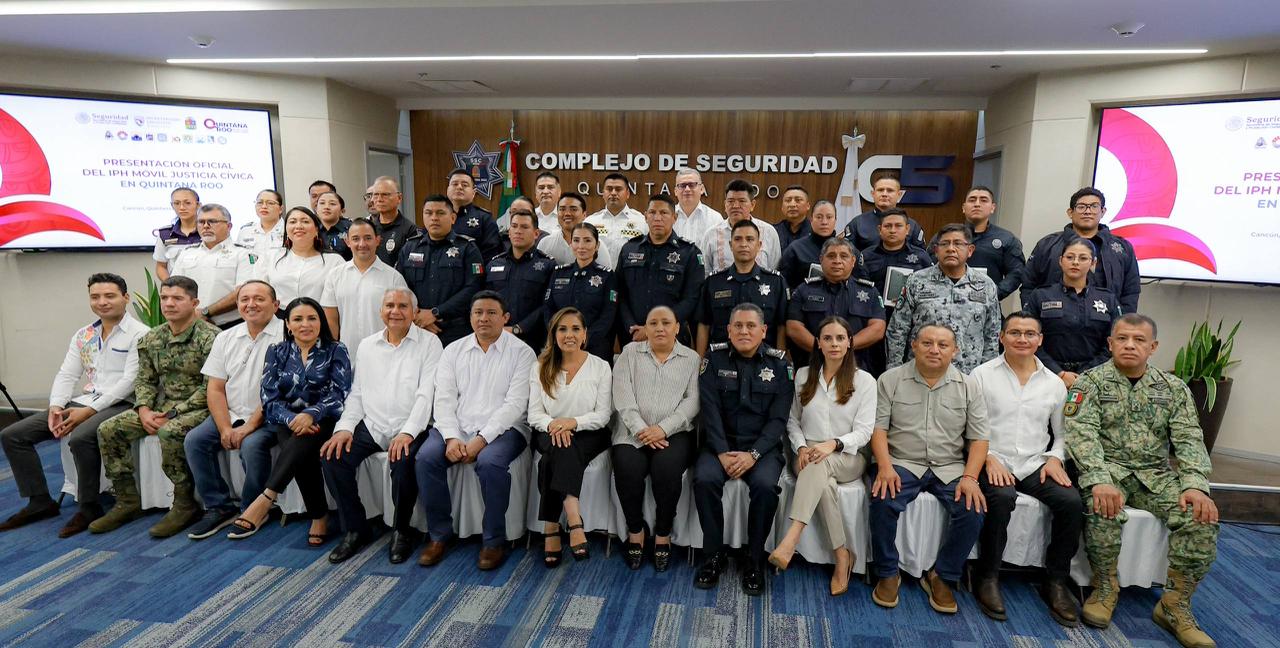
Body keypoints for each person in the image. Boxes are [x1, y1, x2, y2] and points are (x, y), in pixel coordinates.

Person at [1065, 314, 1219, 647]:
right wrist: (1098, 479)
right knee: (1102, 506)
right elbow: (1081, 435)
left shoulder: (1173, 389)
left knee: (1199, 517)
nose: (1129, 345)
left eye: (1139, 340)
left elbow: (1189, 438)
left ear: (1153, 347)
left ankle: (1174, 604)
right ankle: (1104, 587)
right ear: (1110, 344)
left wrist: (1195, 485)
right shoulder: (1090, 383)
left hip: (1155, 475)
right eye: (1122, 339)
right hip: (1109, 472)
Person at [0, 273, 148, 537]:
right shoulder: (84, 334)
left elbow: (129, 382)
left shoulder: (141, 334)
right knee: (13, 435)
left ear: (125, 298)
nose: (102, 302)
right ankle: (39, 501)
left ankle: (89, 506)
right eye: (95, 297)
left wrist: (88, 412)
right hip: (84, 400)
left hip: (123, 402)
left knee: (80, 437)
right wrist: (56, 407)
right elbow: (67, 374)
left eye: (110, 296)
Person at [970, 312, 1083, 626]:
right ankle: (987, 576)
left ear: (1040, 339)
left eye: (1030, 334)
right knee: (1001, 497)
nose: (1022, 339)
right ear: (1001, 337)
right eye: (1015, 333)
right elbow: (968, 426)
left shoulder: (1054, 384)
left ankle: (1055, 581)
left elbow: (1062, 433)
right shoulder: (981, 375)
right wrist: (987, 456)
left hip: (1035, 462)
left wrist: (1055, 458)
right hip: (993, 458)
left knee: (1071, 502)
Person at [867, 323, 989, 614]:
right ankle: (888, 572)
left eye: (943, 345)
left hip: (949, 466)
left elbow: (979, 438)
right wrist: (884, 466)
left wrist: (971, 477)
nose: (935, 350)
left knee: (973, 509)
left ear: (955, 350)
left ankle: (942, 576)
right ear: (914, 345)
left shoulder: (969, 386)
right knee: (883, 499)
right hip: (902, 461)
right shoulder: (890, 380)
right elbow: (878, 429)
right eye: (927, 343)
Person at [415, 291, 538, 571]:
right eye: (478, 312)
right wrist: (451, 437)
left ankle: (493, 541)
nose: (484, 318)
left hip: (506, 429)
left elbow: (515, 405)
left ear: (505, 318)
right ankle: (438, 536)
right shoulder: (453, 350)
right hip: (457, 426)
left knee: (490, 463)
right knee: (426, 458)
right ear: (470, 317)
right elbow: (444, 399)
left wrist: (481, 440)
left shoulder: (522, 353)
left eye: (491, 313)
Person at [321, 288, 444, 564]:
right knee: (333, 457)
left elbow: (427, 394)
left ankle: (402, 530)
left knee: (403, 462)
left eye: (402, 306)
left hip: (412, 424)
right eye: (389, 305)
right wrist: (344, 428)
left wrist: (408, 432)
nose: (395, 311)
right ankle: (356, 528)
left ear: (414, 312)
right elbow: (357, 393)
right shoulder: (367, 345)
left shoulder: (430, 343)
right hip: (374, 424)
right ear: (381, 311)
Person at [90, 276, 219, 537]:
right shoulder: (152, 338)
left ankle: (184, 503)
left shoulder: (211, 338)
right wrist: (144, 409)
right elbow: (145, 380)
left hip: (200, 408)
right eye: (164, 298)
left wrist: (173, 413)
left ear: (194, 302)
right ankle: (127, 501)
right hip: (160, 407)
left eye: (177, 298)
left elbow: (211, 388)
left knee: (169, 431)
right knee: (109, 429)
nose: (169, 304)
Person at [227, 297, 352, 545]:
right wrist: (294, 418)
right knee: (301, 446)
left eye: (312, 318)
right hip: (287, 421)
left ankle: (267, 497)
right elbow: (269, 398)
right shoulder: (277, 351)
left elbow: (340, 393)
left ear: (320, 322)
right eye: (298, 319)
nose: (305, 324)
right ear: (288, 324)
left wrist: (311, 414)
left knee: (302, 443)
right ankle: (318, 516)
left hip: (325, 419)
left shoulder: (336, 349)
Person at [767, 316, 876, 596]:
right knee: (821, 478)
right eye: (827, 338)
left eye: (840, 338)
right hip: (806, 453)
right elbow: (792, 421)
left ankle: (791, 539)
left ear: (850, 343)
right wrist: (802, 447)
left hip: (848, 454)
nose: (834, 344)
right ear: (818, 343)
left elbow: (865, 432)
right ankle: (842, 555)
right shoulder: (804, 375)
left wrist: (834, 444)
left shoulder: (864, 381)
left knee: (819, 464)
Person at [693, 304, 793, 596]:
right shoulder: (713, 359)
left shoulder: (780, 365)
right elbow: (709, 412)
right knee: (704, 479)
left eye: (751, 326)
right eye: (738, 326)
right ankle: (713, 555)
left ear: (764, 331)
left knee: (765, 487)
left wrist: (754, 455)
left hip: (762, 449)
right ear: (728, 330)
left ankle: (754, 559)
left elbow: (778, 420)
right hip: (719, 444)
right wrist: (722, 452)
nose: (744, 331)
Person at [182, 280, 284, 540]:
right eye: (244, 299)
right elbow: (215, 388)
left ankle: (252, 509)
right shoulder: (226, 337)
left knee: (251, 445)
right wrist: (225, 427)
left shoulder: (287, 334)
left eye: (259, 299)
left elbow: (278, 391)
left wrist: (249, 426)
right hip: (232, 412)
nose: (251, 304)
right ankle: (218, 507)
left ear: (276, 305)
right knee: (195, 440)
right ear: (237, 305)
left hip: (271, 415)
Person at [611, 305, 700, 572]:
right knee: (627, 467)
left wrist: (662, 429)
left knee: (666, 469)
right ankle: (635, 530)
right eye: (653, 323)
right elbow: (623, 398)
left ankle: (663, 533)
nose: (660, 328)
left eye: (666, 323)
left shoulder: (692, 358)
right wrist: (643, 430)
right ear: (645, 328)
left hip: (674, 433)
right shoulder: (629, 353)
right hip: (631, 432)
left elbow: (692, 401)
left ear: (677, 328)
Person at [528, 307, 613, 567]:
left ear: (585, 334)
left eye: (576, 329)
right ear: (554, 335)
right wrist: (555, 424)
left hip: (589, 433)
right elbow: (534, 414)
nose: (569, 335)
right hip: (549, 431)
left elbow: (603, 415)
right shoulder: (540, 366)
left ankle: (551, 527)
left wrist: (573, 423)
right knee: (561, 446)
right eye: (562, 329)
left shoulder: (601, 367)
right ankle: (574, 518)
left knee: (552, 458)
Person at [886, 224, 1001, 374]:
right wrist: (894, 371)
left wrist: (986, 375)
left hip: (968, 374)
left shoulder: (985, 285)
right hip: (921, 372)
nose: (951, 249)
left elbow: (992, 334)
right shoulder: (916, 281)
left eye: (958, 243)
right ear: (936, 250)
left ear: (970, 250)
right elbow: (898, 328)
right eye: (945, 244)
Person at [1021, 187, 1140, 314]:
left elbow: (1131, 291)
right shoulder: (1047, 245)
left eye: (1094, 206)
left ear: (1103, 211)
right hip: (1053, 320)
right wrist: (1032, 319)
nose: (1088, 211)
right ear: (1070, 212)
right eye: (1081, 207)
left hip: (1106, 321)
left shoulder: (1122, 248)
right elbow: (1028, 285)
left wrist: (1122, 321)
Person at [1023, 237, 1121, 388]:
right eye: (1070, 257)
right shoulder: (1041, 296)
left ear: (1093, 263)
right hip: (1046, 376)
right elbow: (1029, 338)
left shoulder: (1108, 299)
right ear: (1061, 261)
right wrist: (1059, 373)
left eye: (1083, 258)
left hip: (1095, 379)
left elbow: (1113, 343)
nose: (1075, 262)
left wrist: (1086, 374)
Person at [397, 195, 486, 347]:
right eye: (428, 213)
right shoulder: (410, 247)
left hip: (456, 330)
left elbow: (473, 288)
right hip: (417, 327)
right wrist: (418, 315)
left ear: (453, 218)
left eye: (440, 213)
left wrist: (435, 313)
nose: (434, 218)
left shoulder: (467, 248)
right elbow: (400, 285)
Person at [617, 194, 705, 345]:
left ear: (674, 217)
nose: (657, 218)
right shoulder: (629, 249)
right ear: (645, 216)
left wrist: (653, 329)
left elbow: (691, 298)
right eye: (652, 212)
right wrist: (631, 327)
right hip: (633, 336)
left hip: (672, 338)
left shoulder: (689, 253)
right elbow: (620, 294)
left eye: (664, 213)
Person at [787, 237, 886, 371]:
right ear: (821, 260)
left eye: (844, 256)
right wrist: (822, 348)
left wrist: (845, 346)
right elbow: (794, 327)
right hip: (814, 367)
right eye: (831, 256)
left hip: (857, 368)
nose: (837, 261)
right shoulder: (804, 290)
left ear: (853, 261)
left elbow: (878, 329)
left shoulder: (870, 292)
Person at [695, 219, 787, 355]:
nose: (744, 244)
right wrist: (701, 360)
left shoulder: (776, 282)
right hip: (721, 359)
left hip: (764, 360)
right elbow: (704, 325)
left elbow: (781, 327)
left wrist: (780, 361)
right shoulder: (714, 282)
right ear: (730, 245)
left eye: (750, 239)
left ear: (759, 245)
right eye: (738, 239)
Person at [321, 218, 409, 358]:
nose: (362, 244)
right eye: (355, 239)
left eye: (368, 238)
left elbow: (403, 319)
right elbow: (331, 321)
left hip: (384, 356)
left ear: (377, 240)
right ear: (347, 242)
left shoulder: (393, 277)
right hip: (346, 356)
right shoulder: (335, 275)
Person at [926, 187, 1024, 300]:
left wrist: (994, 293)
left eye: (983, 200)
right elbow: (928, 266)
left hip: (986, 303)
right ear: (964, 207)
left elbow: (1016, 272)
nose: (977, 204)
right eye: (972, 200)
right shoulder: (945, 237)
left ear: (992, 208)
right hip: (943, 301)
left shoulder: (1006, 239)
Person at [170, 203, 253, 329]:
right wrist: (191, 314)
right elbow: (174, 288)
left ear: (229, 226)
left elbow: (243, 292)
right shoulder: (186, 253)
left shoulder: (243, 254)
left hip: (230, 325)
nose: (206, 226)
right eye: (201, 222)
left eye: (212, 221)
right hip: (191, 324)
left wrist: (206, 312)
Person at [544, 223, 617, 362]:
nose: (581, 246)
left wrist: (583, 339)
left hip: (594, 349)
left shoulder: (607, 276)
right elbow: (548, 309)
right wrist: (560, 336)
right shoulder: (559, 273)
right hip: (561, 346)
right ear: (571, 244)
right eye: (576, 240)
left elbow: (608, 315)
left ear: (597, 245)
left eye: (587, 240)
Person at [486, 207, 555, 349]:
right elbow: (485, 300)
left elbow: (548, 305)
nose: (518, 231)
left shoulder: (548, 265)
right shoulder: (494, 264)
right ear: (509, 231)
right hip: (496, 337)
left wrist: (518, 328)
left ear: (536, 234)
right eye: (514, 226)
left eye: (524, 227)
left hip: (532, 339)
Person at [262, 207, 345, 307]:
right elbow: (260, 292)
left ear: (316, 230)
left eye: (305, 221)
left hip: (322, 314)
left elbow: (343, 298)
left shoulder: (335, 261)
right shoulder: (270, 257)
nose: (298, 226)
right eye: (292, 222)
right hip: (278, 315)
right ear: (286, 229)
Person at [697, 179, 783, 275]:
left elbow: (774, 270)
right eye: (731, 201)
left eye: (742, 201)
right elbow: (704, 272)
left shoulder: (769, 232)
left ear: (752, 205)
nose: (736, 206)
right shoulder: (711, 234)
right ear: (725, 204)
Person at [858, 209, 932, 300]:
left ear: (907, 229)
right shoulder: (866, 256)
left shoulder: (921, 256)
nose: (893, 230)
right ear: (879, 229)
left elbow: (932, 286)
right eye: (887, 226)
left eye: (898, 226)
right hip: (872, 306)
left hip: (911, 307)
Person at [841, 172, 926, 250]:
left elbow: (921, 256)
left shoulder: (912, 226)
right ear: (873, 194)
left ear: (899, 195)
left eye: (890, 190)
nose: (884, 194)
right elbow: (846, 254)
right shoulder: (857, 224)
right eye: (880, 190)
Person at [538, 192, 616, 269]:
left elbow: (605, 275)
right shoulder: (545, 243)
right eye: (562, 209)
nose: (567, 213)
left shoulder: (596, 245)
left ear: (584, 215)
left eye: (573, 209)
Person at [586, 173, 648, 261]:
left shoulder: (642, 222)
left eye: (618, 189)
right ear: (603, 193)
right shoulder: (590, 222)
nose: (613, 193)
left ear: (627, 194)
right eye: (609, 189)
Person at [779, 200, 838, 289]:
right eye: (819, 217)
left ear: (835, 220)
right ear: (811, 219)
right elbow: (782, 284)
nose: (824, 222)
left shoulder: (846, 250)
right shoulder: (796, 249)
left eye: (829, 217)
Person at [446, 169, 504, 262]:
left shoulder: (484, 218)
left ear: (473, 192)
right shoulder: (438, 216)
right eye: (455, 184)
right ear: (448, 189)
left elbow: (491, 255)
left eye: (465, 185)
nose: (459, 187)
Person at [153, 187, 202, 280]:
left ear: (198, 205)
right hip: (177, 286)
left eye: (187, 203)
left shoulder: (208, 232)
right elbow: (161, 266)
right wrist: (170, 285)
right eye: (177, 203)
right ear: (172, 205)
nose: (182, 207)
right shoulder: (165, 234)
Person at [367, 177, 417, 266]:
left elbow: (413, 263)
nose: (379, 199)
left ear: (399, 198)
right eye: (376, 195)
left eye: (385, 194)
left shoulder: (410, 229)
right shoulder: (369, 227)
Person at [235, 189, 285, 274]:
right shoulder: (245, 231)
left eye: (270, 203)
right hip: (251, 279)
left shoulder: (289, 230)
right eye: (260, 202)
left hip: (280, 279)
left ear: (281, 209)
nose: (264, 206)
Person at [671, 168, 723, 242]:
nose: (687, 189)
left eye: (692, 185)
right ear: (676, 191)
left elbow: (720, 248)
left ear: (702, 189)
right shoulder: (666, 217)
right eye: (682, 185)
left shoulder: (715, 219)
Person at [774, 185, 813, 254]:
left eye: (798, 200)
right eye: (788, 200)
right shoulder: (773, 231)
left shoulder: (815, 232)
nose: (792, 205)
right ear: (782, 207)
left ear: (808, 206)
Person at [316, 190, 352, 261]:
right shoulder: (312, 230)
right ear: (316, 209)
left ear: (342, 211)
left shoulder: (352, 229)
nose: (326, 207)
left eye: (332, 204)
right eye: (322, 203)